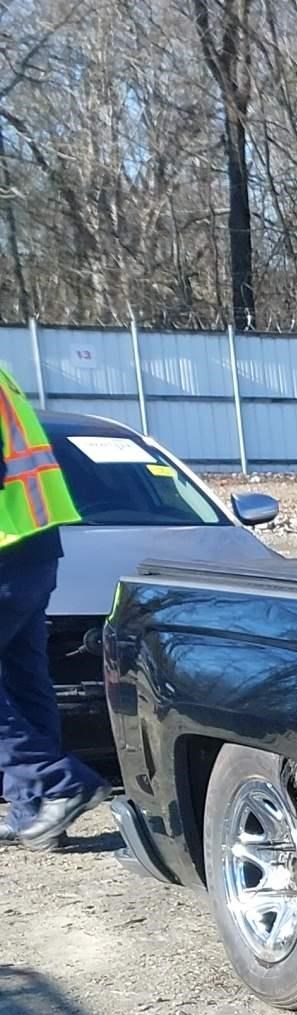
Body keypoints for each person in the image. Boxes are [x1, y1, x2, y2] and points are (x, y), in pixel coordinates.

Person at [1, 362, 100, 852]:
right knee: (24, 680)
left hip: (5, 548)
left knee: (23, 679)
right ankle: (37, 814)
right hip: (33, 546)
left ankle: (55, 784)